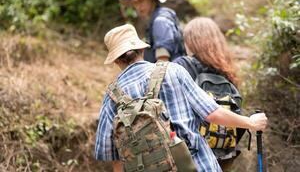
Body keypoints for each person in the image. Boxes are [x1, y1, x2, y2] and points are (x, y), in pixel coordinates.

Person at [95, 24, 268, 172]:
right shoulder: (172, 71)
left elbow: (111, 153)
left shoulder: (111, 96)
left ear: (116, 60)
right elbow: (212, 114)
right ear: (141, 49)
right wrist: (251, 123)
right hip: (199, 165)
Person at [173, 17, 245, 170]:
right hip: (225, 154)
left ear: (192, 41)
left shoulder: (182, 65)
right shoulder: (227, 70)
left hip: (193, 153)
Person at [119, 0, 185, 63]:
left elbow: (163, 61)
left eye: (141, 0)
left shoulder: (160, 21)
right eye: (135, 2)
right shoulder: (154, 20)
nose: (138, 6)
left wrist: (155, 77)